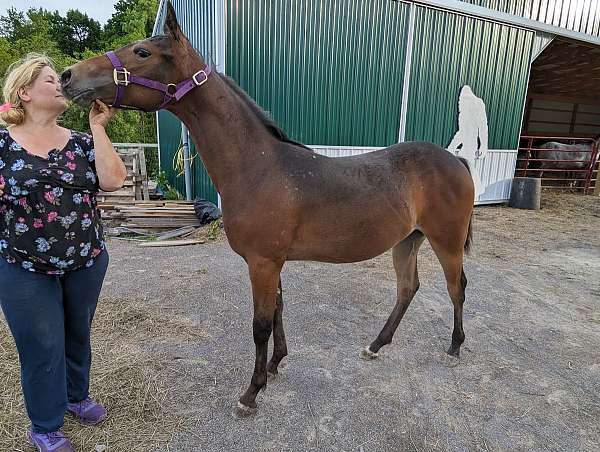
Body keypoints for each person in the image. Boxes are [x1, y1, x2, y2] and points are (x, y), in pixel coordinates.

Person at [0, 53, 126, 451]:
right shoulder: (3, 145)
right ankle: (45, 425)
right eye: (51, 79)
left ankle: (76, 397)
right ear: (25, 92)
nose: (60, 84)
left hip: (84, 260)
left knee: (77, 333)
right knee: (42, 343)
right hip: (22, 264)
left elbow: (113, 180)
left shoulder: (81, 143)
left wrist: (98, 128)